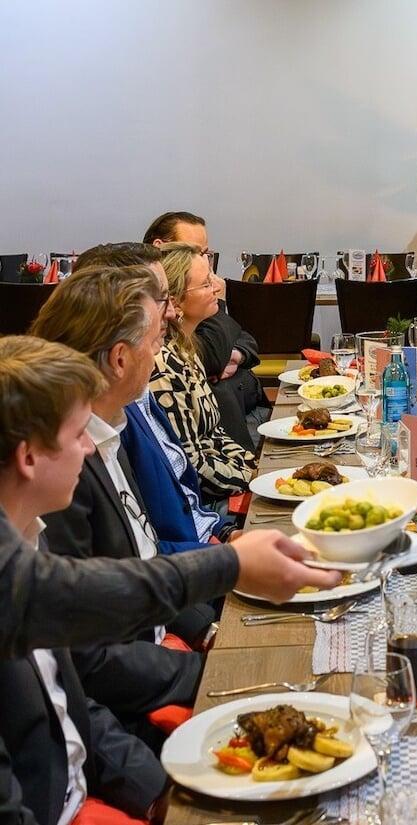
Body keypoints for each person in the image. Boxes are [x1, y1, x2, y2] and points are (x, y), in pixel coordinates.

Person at [0, 335, 341, 824]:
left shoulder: (28, 543)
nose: (90, 447)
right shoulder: (20, 578)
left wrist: (161, 792)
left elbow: (71, 715)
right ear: (29, 457)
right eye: (78, 434)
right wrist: (233, 566)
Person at [31, 265, 216, 648]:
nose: (158, 355)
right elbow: (95, 655)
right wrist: (201, 665)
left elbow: (144, 558)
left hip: (171, 626)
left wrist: (206, 629)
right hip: (142, 676)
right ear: (119, 359)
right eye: (153, 343)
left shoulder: (113, 425)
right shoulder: (64, 466)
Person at [72, 243, 236, 549]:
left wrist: (225, 534)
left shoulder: (132, 398)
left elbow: (184, 496)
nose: (172, 311)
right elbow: (136, 567)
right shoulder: (92, 430)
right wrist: (230, 560)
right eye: (161, 298)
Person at [144, 211, 270, 451]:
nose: (203, 260)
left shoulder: (195, 296)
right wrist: (219, 301)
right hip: (217, 433)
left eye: (204, 253)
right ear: (161, 247)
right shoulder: (159, 316)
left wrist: (235, 355)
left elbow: (245, 338)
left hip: (242, 407)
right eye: (194, 251)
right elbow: (212, 357)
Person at [150, 243, 256, 502]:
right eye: (207, 283)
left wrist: (255, 466)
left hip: (227, 481)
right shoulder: (163, 365)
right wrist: (253, 480)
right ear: (175, 301)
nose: (217, 288)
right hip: (207, 502)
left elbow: (215, 434)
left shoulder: (187, 346)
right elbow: (192, 464)